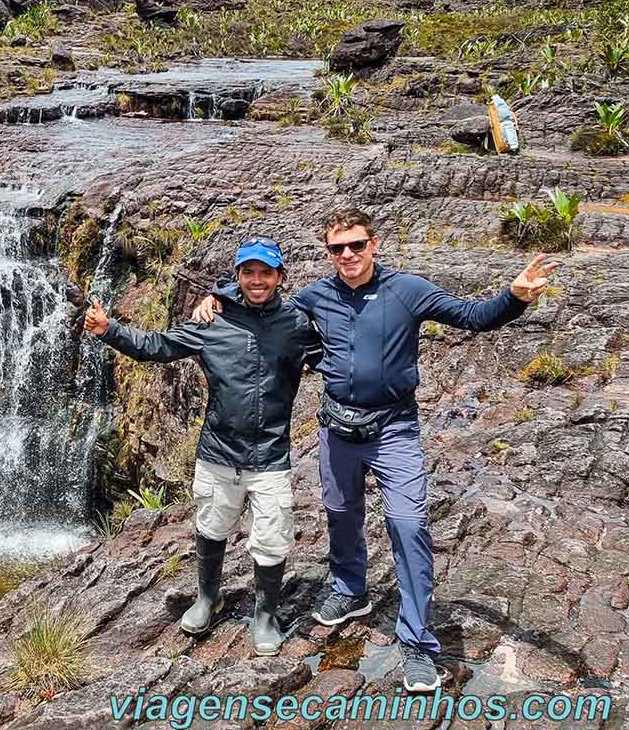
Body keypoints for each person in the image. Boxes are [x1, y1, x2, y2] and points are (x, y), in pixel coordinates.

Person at [191, 208, 558, 691]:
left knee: (408, 526)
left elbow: (472, 316)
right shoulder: (315, 296)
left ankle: (417, 644)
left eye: (356, 245)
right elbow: (263, 300)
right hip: (337, 429)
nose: (348, 255)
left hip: (394, 429)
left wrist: (512, 298)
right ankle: (350, 589)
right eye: (337, 248)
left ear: (374, 244)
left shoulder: (408, 290)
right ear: (328, 253)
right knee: (341, 512)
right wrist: (216, 296)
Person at [84, 237, 321, 655]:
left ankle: (265, 615)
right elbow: (157, 347)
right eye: (248, 273)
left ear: (280, 277)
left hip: (270, 458)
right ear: (237, 277)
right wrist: (109, 331)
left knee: (271, 538)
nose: (257, 280)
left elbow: (333, 361)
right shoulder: (211, 323)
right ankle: (208, 598)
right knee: (212, 528)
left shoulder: (297, 325)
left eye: (266, 273)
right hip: (218, 453)